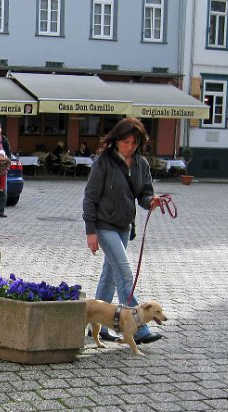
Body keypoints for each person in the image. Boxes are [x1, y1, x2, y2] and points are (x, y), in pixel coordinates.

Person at [82, 117, 163, 345]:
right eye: (126, 142)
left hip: (124, 227)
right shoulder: (104, 162)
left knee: (109, 275)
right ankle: (140, 329)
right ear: (117, 140)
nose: (130, 147)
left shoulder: (141, 164)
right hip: (103, 225)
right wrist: (90, 231)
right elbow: (90, 197)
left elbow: (144, 193)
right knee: (125, 275)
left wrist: (151, 201)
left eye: (134, 143)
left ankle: (97, 326)